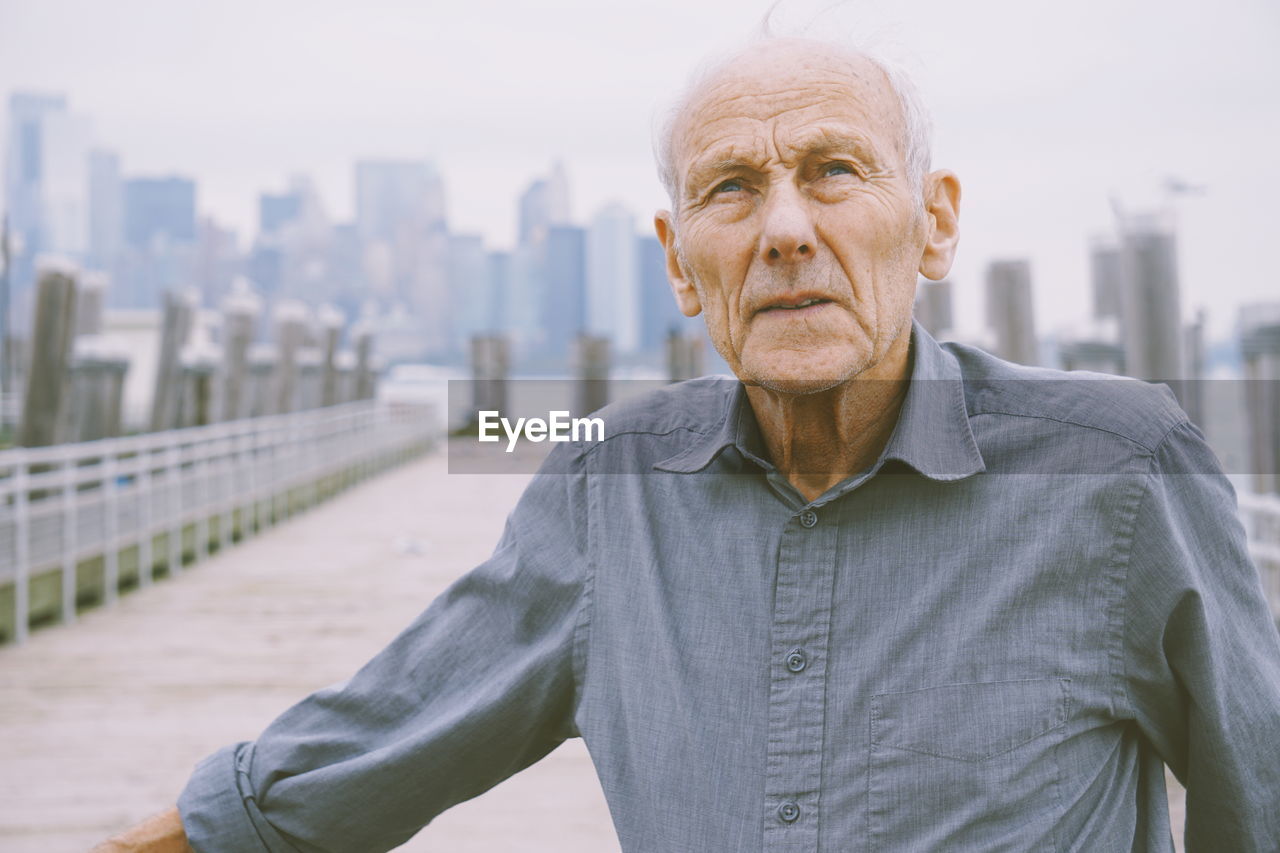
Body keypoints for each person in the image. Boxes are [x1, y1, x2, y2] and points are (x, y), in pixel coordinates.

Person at [96, 35, 1280, 853]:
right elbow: (378, 739)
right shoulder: (611, 491)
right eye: (730, 189)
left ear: (933, 222)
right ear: (676, 260)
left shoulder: (1115, 470)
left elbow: (1257, 794)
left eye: (832, 172)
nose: (782, 231)